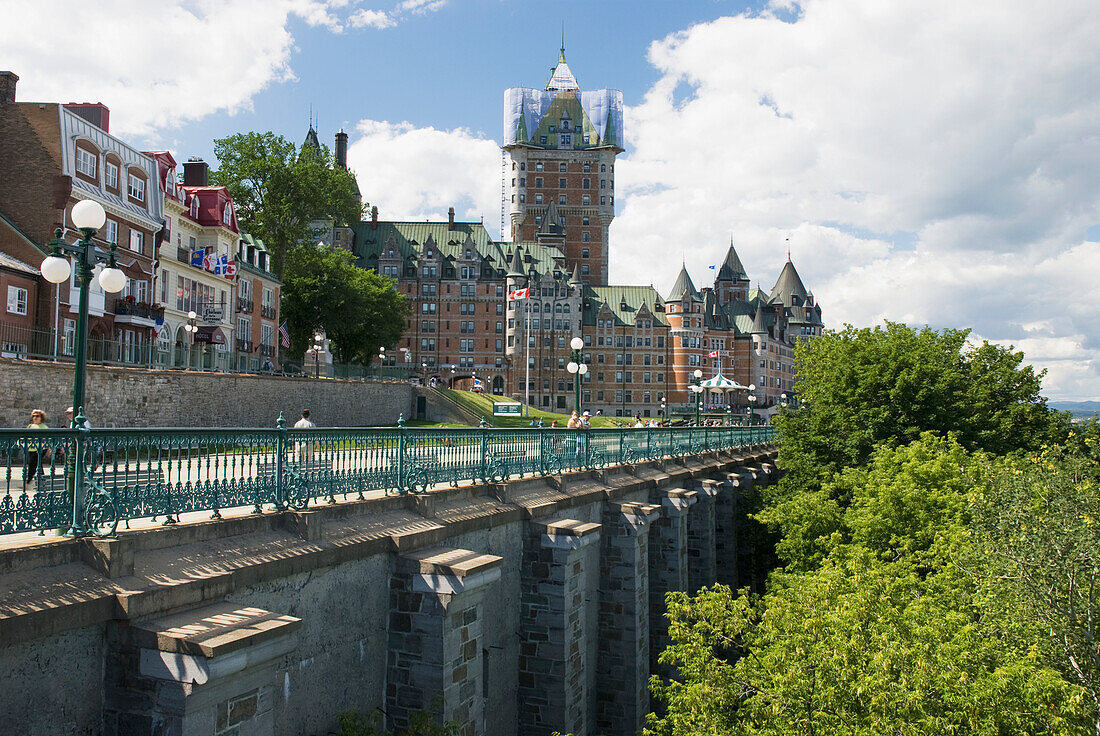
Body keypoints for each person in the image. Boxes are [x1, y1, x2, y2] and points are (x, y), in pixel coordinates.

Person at [23, 409, 48, 487]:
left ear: (41, 417)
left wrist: (48, 449)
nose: (35, 417)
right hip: (31, 449)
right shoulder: (30, 426)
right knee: (38, 464)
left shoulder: (44, 427)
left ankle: (28, 482)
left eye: (37, 416)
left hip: (40, 449)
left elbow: (48, 438)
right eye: (33, 416)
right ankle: (43, 481)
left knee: (32, 464)